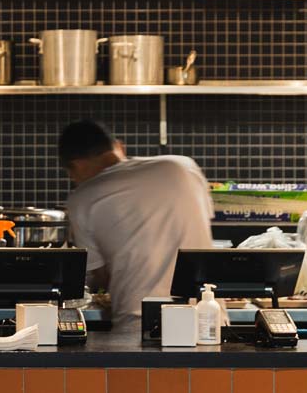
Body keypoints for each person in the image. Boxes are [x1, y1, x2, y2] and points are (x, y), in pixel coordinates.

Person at [58, 120, 213, 333]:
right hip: (207, 317)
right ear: (119, 147)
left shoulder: (83, 198)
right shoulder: (183, 166)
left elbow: (102, 277)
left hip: (140, 321)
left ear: (77, 165)